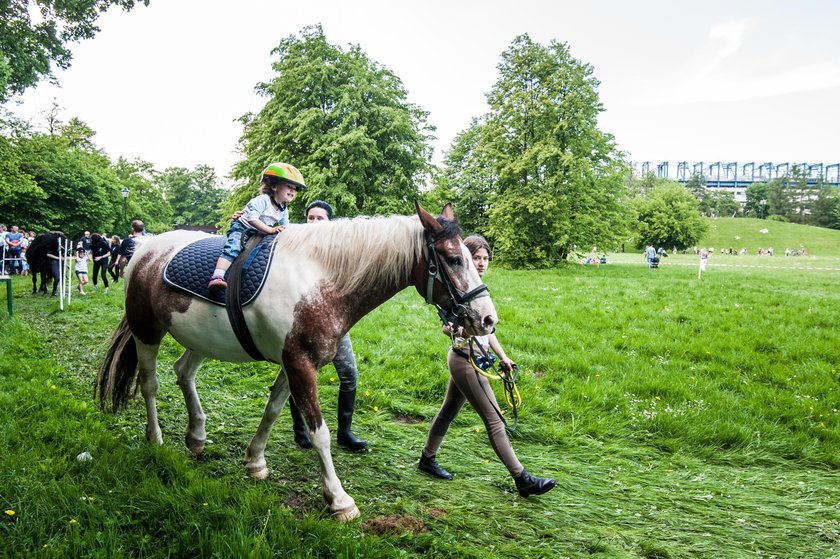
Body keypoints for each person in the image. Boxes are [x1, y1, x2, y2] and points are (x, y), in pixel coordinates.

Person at [418, 235, 556, 498]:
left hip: (475, 359)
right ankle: (522, 478)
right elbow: (447, 326)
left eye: (485, 258)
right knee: (495, 421)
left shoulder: (477, 289)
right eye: (476, 258)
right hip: (466, 361)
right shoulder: (460, 291)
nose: (481, 263)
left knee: (447, 412)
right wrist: (452, 329)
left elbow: (487, 331)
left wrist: (503, 356)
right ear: (467, 259)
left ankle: (427, 459)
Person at [291, 200, 366, 451]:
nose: (313, 223)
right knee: (298, 375)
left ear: (329, 222)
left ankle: (345, 432)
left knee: (350, 375)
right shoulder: (295, 248)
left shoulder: (338, 252)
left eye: (319, 218)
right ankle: (300, 429)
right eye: (310, 218)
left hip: (335, 327)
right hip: (301, 328)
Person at [208, 162, 304, 292]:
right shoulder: (262, 200)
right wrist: (271, 230)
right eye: (289, 186)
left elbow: (286, 226)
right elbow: (251, 218)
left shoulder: (283, 209)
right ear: (274, 186)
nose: (293, 190)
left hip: (259, 232)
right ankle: (217, 276)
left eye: (295, 188)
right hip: (243, 227)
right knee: (234, 246)